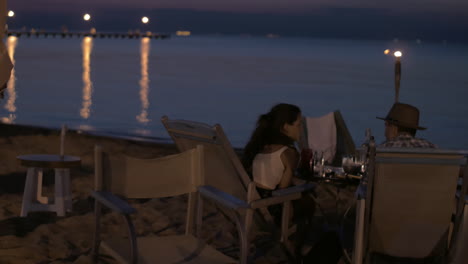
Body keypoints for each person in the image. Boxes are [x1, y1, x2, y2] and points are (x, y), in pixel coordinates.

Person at [243, 103, 315, 262]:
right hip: (272, 208)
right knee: (307, 202)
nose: (301, 129)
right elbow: (284, 189)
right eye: (298, 124)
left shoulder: (259, 146)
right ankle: (294, 249)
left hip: (253, 202)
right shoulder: (288, 152)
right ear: (285, 127)